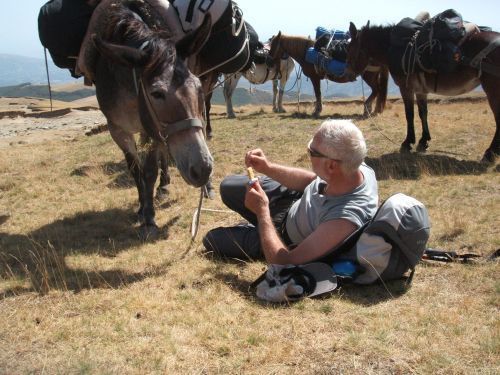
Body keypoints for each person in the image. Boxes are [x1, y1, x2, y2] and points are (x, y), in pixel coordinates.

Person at [203, 119, 378, 265]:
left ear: (331, 165)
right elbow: (312, 181)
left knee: (211, 240)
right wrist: (268, 167)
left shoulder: (342, 221)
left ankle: (257, 227)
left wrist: (262, 212)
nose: (308, 153)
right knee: (228, 186)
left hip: (284, 236)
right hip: (294, 200)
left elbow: (284, 262)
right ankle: (255, 222)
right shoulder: (354, 164)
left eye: (312, 152)